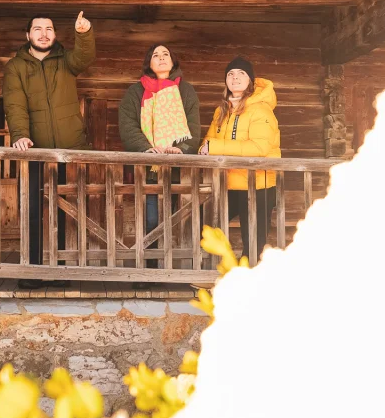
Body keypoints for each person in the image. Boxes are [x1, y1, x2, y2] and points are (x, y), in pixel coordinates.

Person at [2, 12, 96, 285]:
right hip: (35, 150)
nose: (44, 33)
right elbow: (15, 104)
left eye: (49, 29)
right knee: (33, 209)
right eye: (37, 29)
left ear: (55, 35)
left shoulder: (66, 60)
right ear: (27, 35)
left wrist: (83, 33)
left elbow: (85, 57)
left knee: (65, 210)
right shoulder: (16, 67)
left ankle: (61, 269)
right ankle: (33, 271)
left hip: (68, 148)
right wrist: (20, 135)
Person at [119, 44, 201, 257]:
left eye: (166, 54)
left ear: (173, 61)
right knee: (151, 219)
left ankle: (181, 270)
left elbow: (193, 126)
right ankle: (150, 269)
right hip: (150, 168)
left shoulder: (186, 90)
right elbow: (128, 125)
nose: (161, 58)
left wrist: (181, 149)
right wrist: (146, 148)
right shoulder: (136, 92)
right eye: (156, 55)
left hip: (179, 168)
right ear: (149, 63)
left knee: (182, 217)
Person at [200, 57, 281, 259]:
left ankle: (247, 284)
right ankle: (218, 272)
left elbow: (259, 147)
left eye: (241, 74)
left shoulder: (261, 110)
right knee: (205, 226)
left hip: (258, 185)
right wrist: (206, 147)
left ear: (250, 81)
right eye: (230, 74)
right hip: (227, 183)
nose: (235, 78)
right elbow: (207, 142)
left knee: (253, 241)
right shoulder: (222, 111)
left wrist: (214, 147)